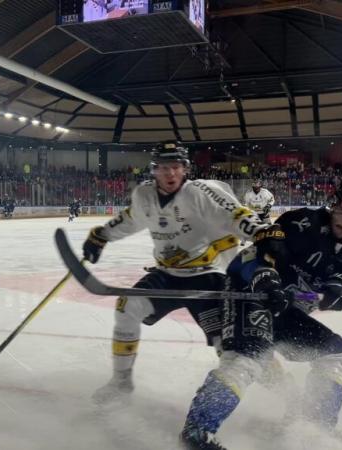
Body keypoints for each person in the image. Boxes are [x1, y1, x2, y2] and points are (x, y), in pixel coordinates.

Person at [180, 177, 342, 450]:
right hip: (248, 296)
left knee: (336, 353)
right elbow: (255, 256)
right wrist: (265, 278)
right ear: (333, 203)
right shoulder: (301, 223)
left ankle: (313, 426)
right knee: (248, 358)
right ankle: (197, 431)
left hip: (284, 309)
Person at [81, 141, 270, 404]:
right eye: (164, 168)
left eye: (176, 167)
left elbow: (234, 215)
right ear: (154, 170)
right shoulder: (144, 195)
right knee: (127, 308)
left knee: (226, 343)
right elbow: (131, 219)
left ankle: (276, 387)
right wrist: (102, 236)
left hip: (207, 277)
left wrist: (264, 234)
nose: (170, 173)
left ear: (185, 169)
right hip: (167, 274)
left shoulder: (200, 192)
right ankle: (121, 382)